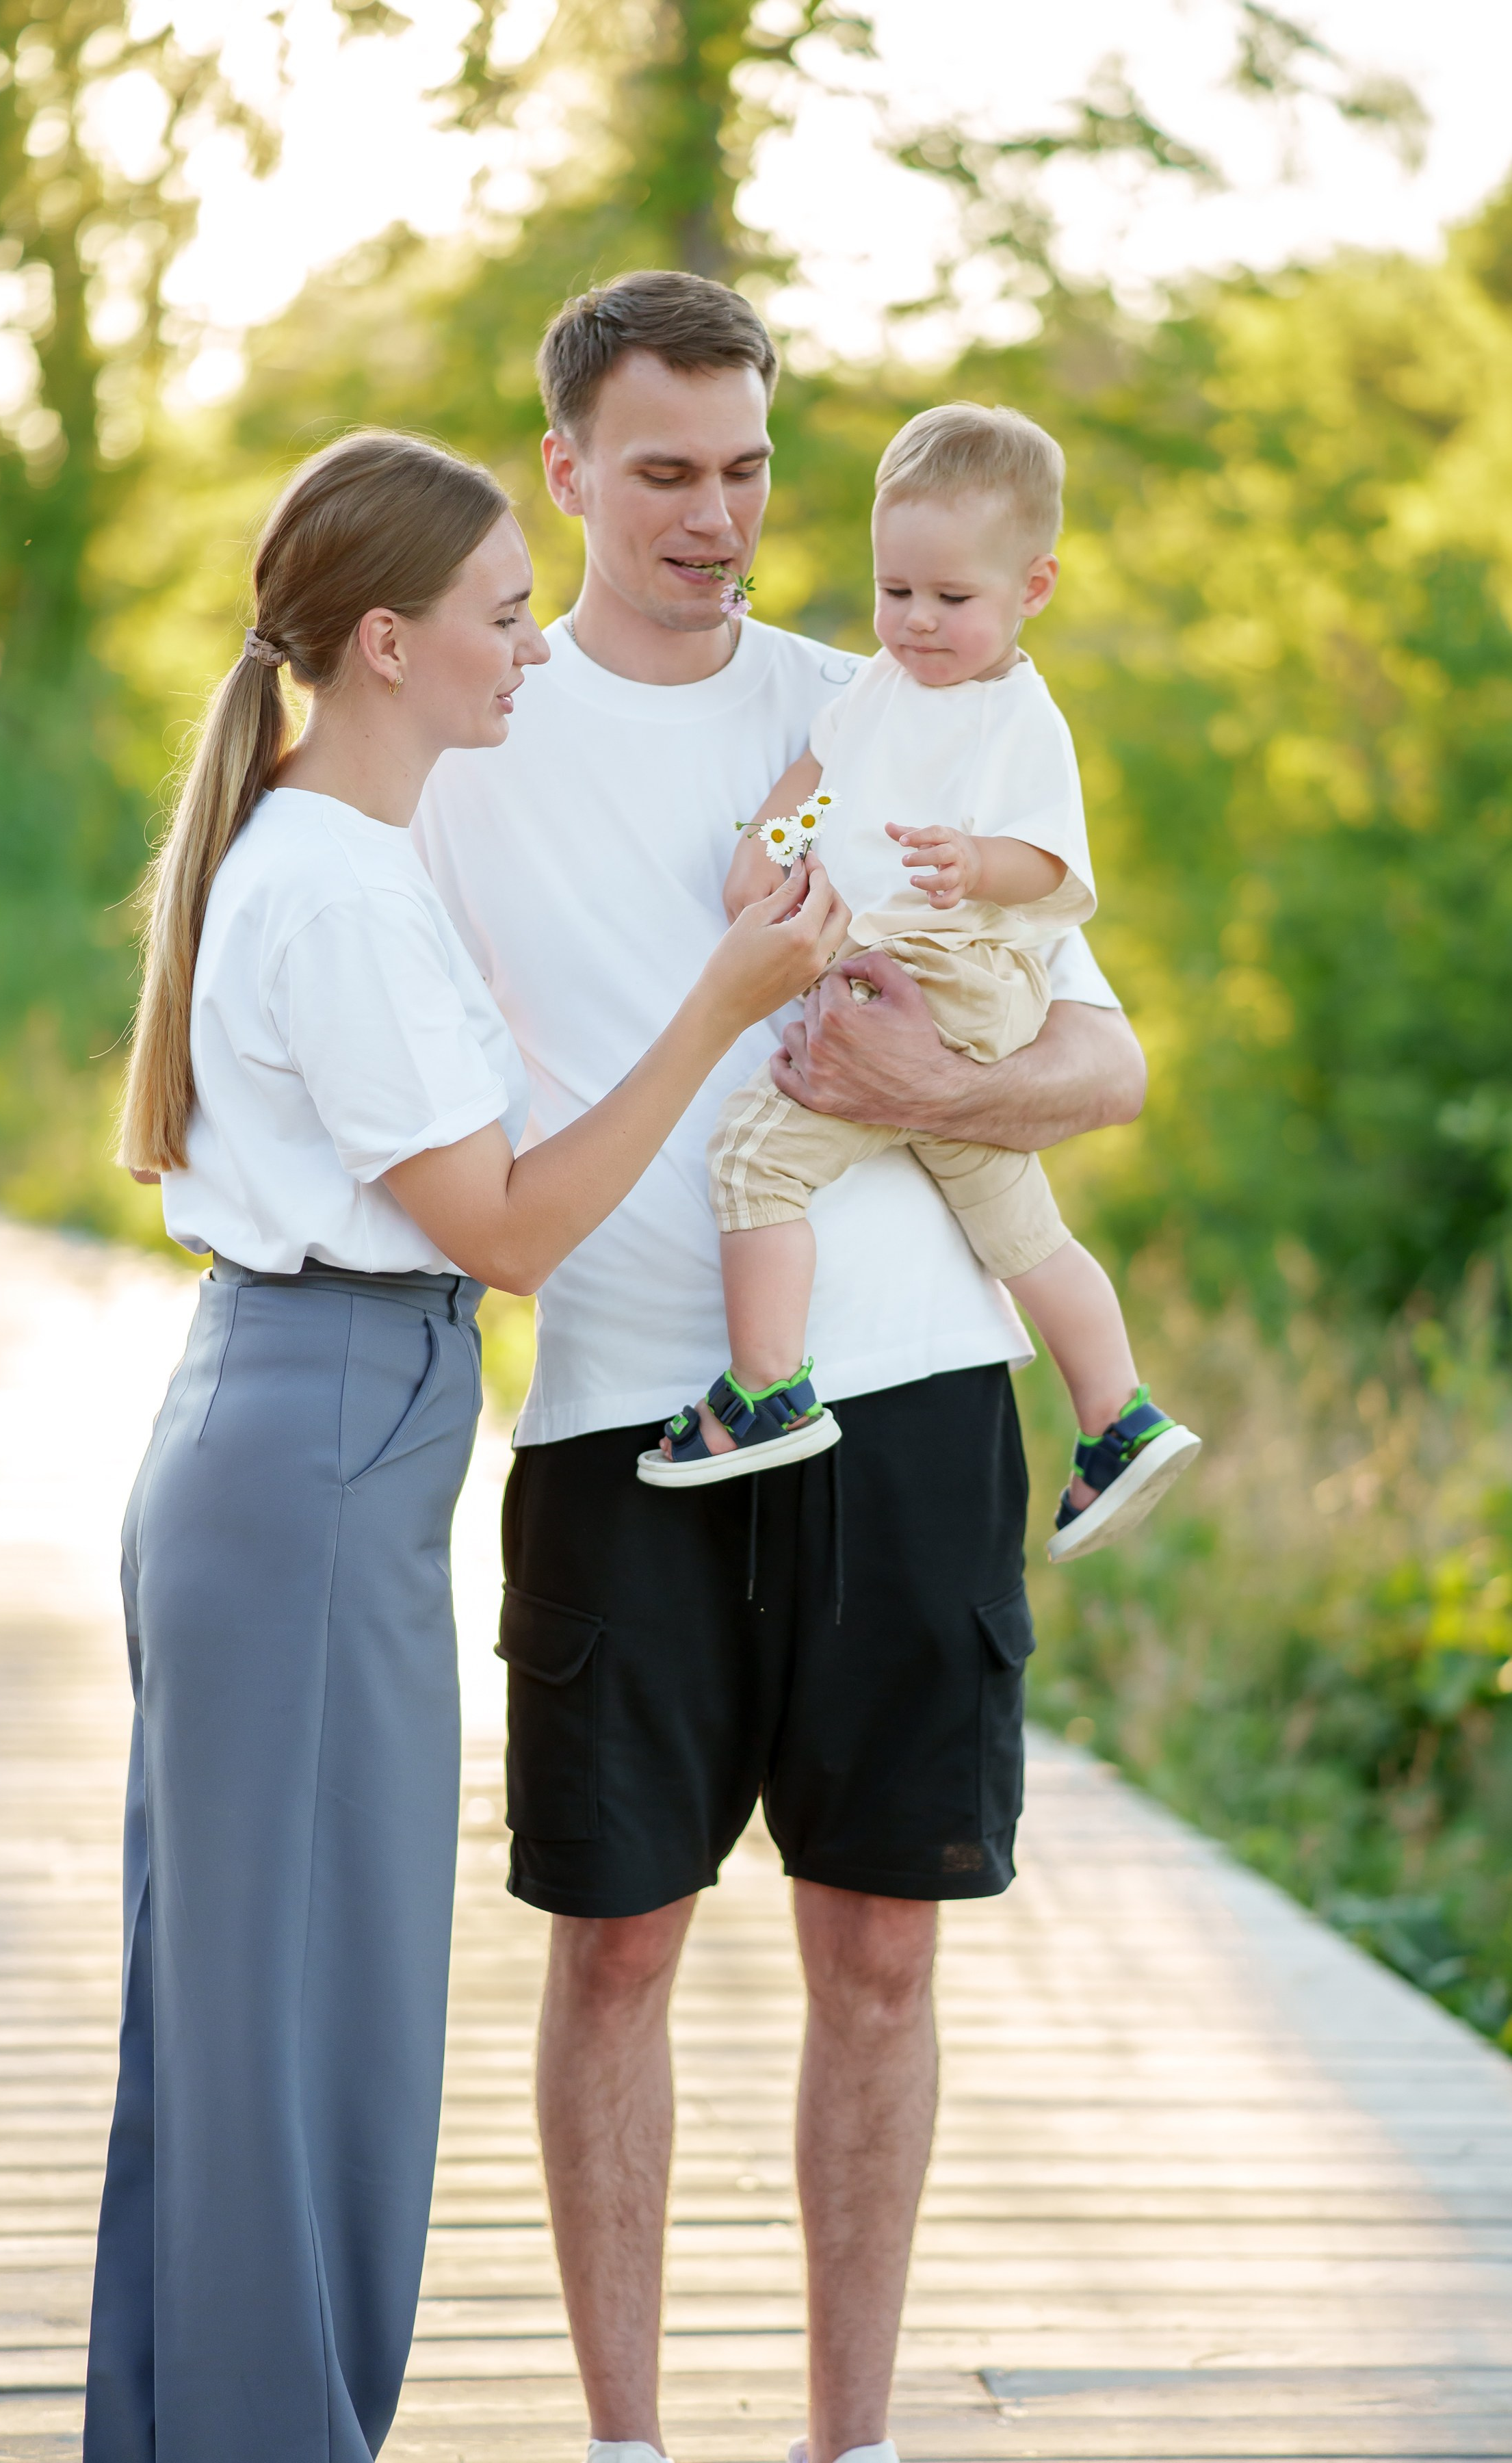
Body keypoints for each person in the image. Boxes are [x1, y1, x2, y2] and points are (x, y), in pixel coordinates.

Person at [413, 274, 1147, 2463]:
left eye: (747, 470)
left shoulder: (902, 693)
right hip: (622, 1416)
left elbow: (1104, 1063)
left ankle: (855, 2443)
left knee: (885, 1955)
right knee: (617, 1948)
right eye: (665, 472)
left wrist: (945, 1083)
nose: (717, 517)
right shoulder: (471, 736)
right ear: (565, 471)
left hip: (911, 1403)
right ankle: (626, 2444)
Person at [84, 427, 844, 2463]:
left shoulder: (348, 856)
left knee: (273, 2006)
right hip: (319, 1441)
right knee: (297, 2018)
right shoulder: (337, 887)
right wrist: (721, 1004)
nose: (534, 650)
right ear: (389, 641)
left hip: (326, 1434)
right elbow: (504, 1232)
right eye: (507, 617)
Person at [651, 401, 1199, 1563]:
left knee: (755, 1159)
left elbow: (1053, 864)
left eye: (952, 598)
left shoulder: (1017, 715)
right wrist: (769, 842)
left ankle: (768, 1388)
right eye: (895, 590)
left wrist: (976, 862)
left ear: (1033, 588)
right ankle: (1118, 1417)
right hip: (912, 971)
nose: (916, 620)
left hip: (950, 969)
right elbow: (818, 775)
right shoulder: (879, 688)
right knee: (1011, 1218)